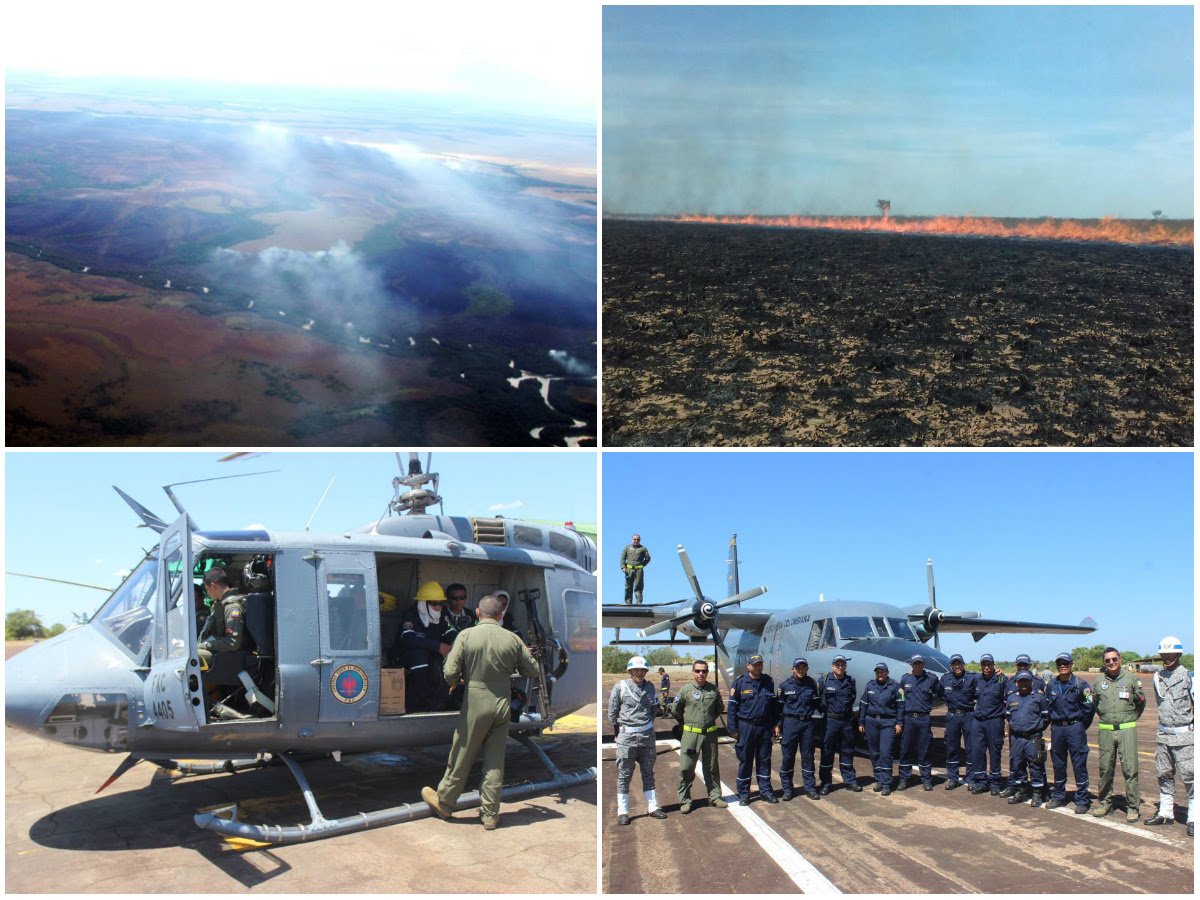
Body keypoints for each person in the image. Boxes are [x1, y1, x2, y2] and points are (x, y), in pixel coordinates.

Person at [421, 594, 540, 830]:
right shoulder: (513, 639)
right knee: (495, 760)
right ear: (501, 615)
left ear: (477, 613)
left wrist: (456, 680)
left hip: (476, 699)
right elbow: (532, 670)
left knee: (462, 752)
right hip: (502, 702)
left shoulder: (466, 635)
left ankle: (445, 801)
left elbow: (450, 670)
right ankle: (490, 815)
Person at [1144, 636, 1193, 837]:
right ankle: (1165, 813)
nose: (1167, 658)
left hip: (1185, 737)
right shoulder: (1157, 677)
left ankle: (1193, 818)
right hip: (1164, 735)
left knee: (1191, 777)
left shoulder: (1190, 677)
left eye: (1171, 654)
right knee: (1163, 774)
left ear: (1179, 654)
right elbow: (1160, 703)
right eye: (1164, 654)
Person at [609, 655, 666, 824]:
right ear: (630, 670)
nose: (640, 673)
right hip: (627, 738)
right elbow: (612, 713)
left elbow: (654, 709)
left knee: (648, 772)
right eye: (636, 669)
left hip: (647, 737)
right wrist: (619, 734)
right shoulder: (621, 687)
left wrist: (646, 726)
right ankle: (623, 811)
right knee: (624, 775)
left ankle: (653, 807)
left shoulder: (650, 687)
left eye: (643, 670)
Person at [1092, 646, 1146, 821]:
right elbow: (1095, 704)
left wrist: (1129, 719)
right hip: (1106, 730)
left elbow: (1141, 702)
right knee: (1105, 769)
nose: (1111, 663)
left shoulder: (1131, 679)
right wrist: (1107, 718)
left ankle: (1132, 806)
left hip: (1127, 730)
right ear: (1104, 662)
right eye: (1108, 660)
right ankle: (1105, 803)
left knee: (1130, 770)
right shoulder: (1099, 681)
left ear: (1120, 659)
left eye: (1114, 659)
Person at [673, 659, 728, 813]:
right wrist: (687, 723)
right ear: (693, 672)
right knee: (686, 767)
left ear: (707, 672)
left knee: (711, 766)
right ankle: (684, 800)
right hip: (691, 735)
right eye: (697, 671)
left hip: (710, 734)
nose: (701, 673)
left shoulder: (713, 690)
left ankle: (715, 797)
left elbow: (719, 708)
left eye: (704, 671)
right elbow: (676, 710)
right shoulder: (685, 690)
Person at [1045, 651, 1095, 814]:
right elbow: (1048, 706)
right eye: (1060, 663)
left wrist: (1080, 727)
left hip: (1075, 728)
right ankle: (1059, 795)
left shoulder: (1082, 685)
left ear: (1071, 664)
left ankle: (1082, 799)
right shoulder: (1051, 685)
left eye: (1065, 663)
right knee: (1058, 763)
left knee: (1079, 763)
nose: (1062, 666)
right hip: (1057, 729)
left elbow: (1089, 709)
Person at [727, 654, 779, 804]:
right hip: (746, 727)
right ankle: (744, 793)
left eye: (760, 664)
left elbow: (773, 706)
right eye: (755, 664)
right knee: (745, 760)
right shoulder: (739, 683)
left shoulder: (768, 681)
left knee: (764, 760)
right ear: (748, 666)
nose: (758, 667)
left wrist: (776, 724)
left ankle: (766, 791)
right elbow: (732, 707)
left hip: (764, 727)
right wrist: (733, 729)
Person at [776, 657, 821, 800]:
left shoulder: (812, 684)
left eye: (803, 668)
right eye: (798, 668)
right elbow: (778, 708)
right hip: (790, 723)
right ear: (793, 669)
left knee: (808, 756)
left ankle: (810, 787)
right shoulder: (784, 686)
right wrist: (777, 725)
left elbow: (817, 704)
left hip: (807, 723)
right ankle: (787, 789)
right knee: (788, 756)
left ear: (807, 669)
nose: (800, 670)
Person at [1003, 671, 1050, 806]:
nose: (1023, 684)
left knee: (1036, 766)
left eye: (1026, 681)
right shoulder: (1012, 698)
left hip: (1034, 738)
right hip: (1016, 738)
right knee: (1018, 765)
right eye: (1021, 681)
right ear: (1017, 683)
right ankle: (1021, 792)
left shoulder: (1039, 697)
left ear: (1032, 682)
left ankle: (1037, 794)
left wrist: (1035, 729)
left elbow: (1046, 718)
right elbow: (1008, 717)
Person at [897, 654, 943, 791]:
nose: (917, 665)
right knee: (905, 749)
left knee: (925, 749)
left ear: (923, 664)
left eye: (920, 663)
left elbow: (941, 692)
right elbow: (900, 697)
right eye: (915, 663)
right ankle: (904, 779)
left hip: (924, 718)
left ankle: (926, 779)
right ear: (911, 665)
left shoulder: (931, 678)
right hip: (909, 718)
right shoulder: (905, 678)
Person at [859, 662, 904, 795]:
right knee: (874, 753)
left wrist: (899, 723)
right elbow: (863, 705)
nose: (880, 674)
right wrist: (861, 722)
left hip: (888, 722)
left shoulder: (895, 686)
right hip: (871, 721)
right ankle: (879, 779)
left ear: (887, 672)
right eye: (878, 671)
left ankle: (886, 783)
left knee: (885, 752)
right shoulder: (870, 685)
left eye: (882, 671)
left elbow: (901, 705)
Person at [818, 654, 860, 794]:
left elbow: (852, 697)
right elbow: (818, 699)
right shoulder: (824, 680)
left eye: (842, 664)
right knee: (827, 751)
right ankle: (826, 783)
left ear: (845, 666)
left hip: (846, 721)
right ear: (833, 666)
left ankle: (850, 781)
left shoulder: (850, 681)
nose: (840, 667)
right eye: (837, 664)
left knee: (847, 751)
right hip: (830, 721)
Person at [969, 654, 1008, 795]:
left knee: (995, 751)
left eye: (989, 664)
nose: (986, 667)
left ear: (993, 665)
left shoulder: (1001, 678)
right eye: (984, 664)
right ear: (981, 666)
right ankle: (981, 781)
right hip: (978, 721)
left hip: (995, 721)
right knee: (978, 752)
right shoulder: (976, 679)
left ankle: (995, 782)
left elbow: (1012, 688)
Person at [940, 653, 978, 790]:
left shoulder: (973, 678)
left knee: (970, 748)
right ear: (951, 665)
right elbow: (936, 691)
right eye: (954, 664)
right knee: (951, 748)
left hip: (968, 715)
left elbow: (987, 682)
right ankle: (952, 778)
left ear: (963, 664)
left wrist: (1000, 677)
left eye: (959, 663)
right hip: (952, 717)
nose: (957, 666)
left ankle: (971, 778)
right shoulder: (945, 679)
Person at [197, 567, 246, 669]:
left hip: (230, 657)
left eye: (207, 590)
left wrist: (206, 644)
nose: (208, 594)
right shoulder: (221, 605)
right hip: (223, 654)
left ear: (213, 586)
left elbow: (232, 643)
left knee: (184, 655)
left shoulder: (232, 607)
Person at [620, 534, 651, 605]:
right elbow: (623, 557)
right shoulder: (627, 548)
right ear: (632, 540)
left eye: (638, 539)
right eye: (635, 539)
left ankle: (639, 602)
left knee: (638, 586)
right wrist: (623, 567)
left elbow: (648, 559)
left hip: (638, 571)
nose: (636, 541)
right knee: (628, 587)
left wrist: (642, 565)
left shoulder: (643, 549)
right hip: (629, 570)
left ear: (639, 540)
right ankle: (628, 603)